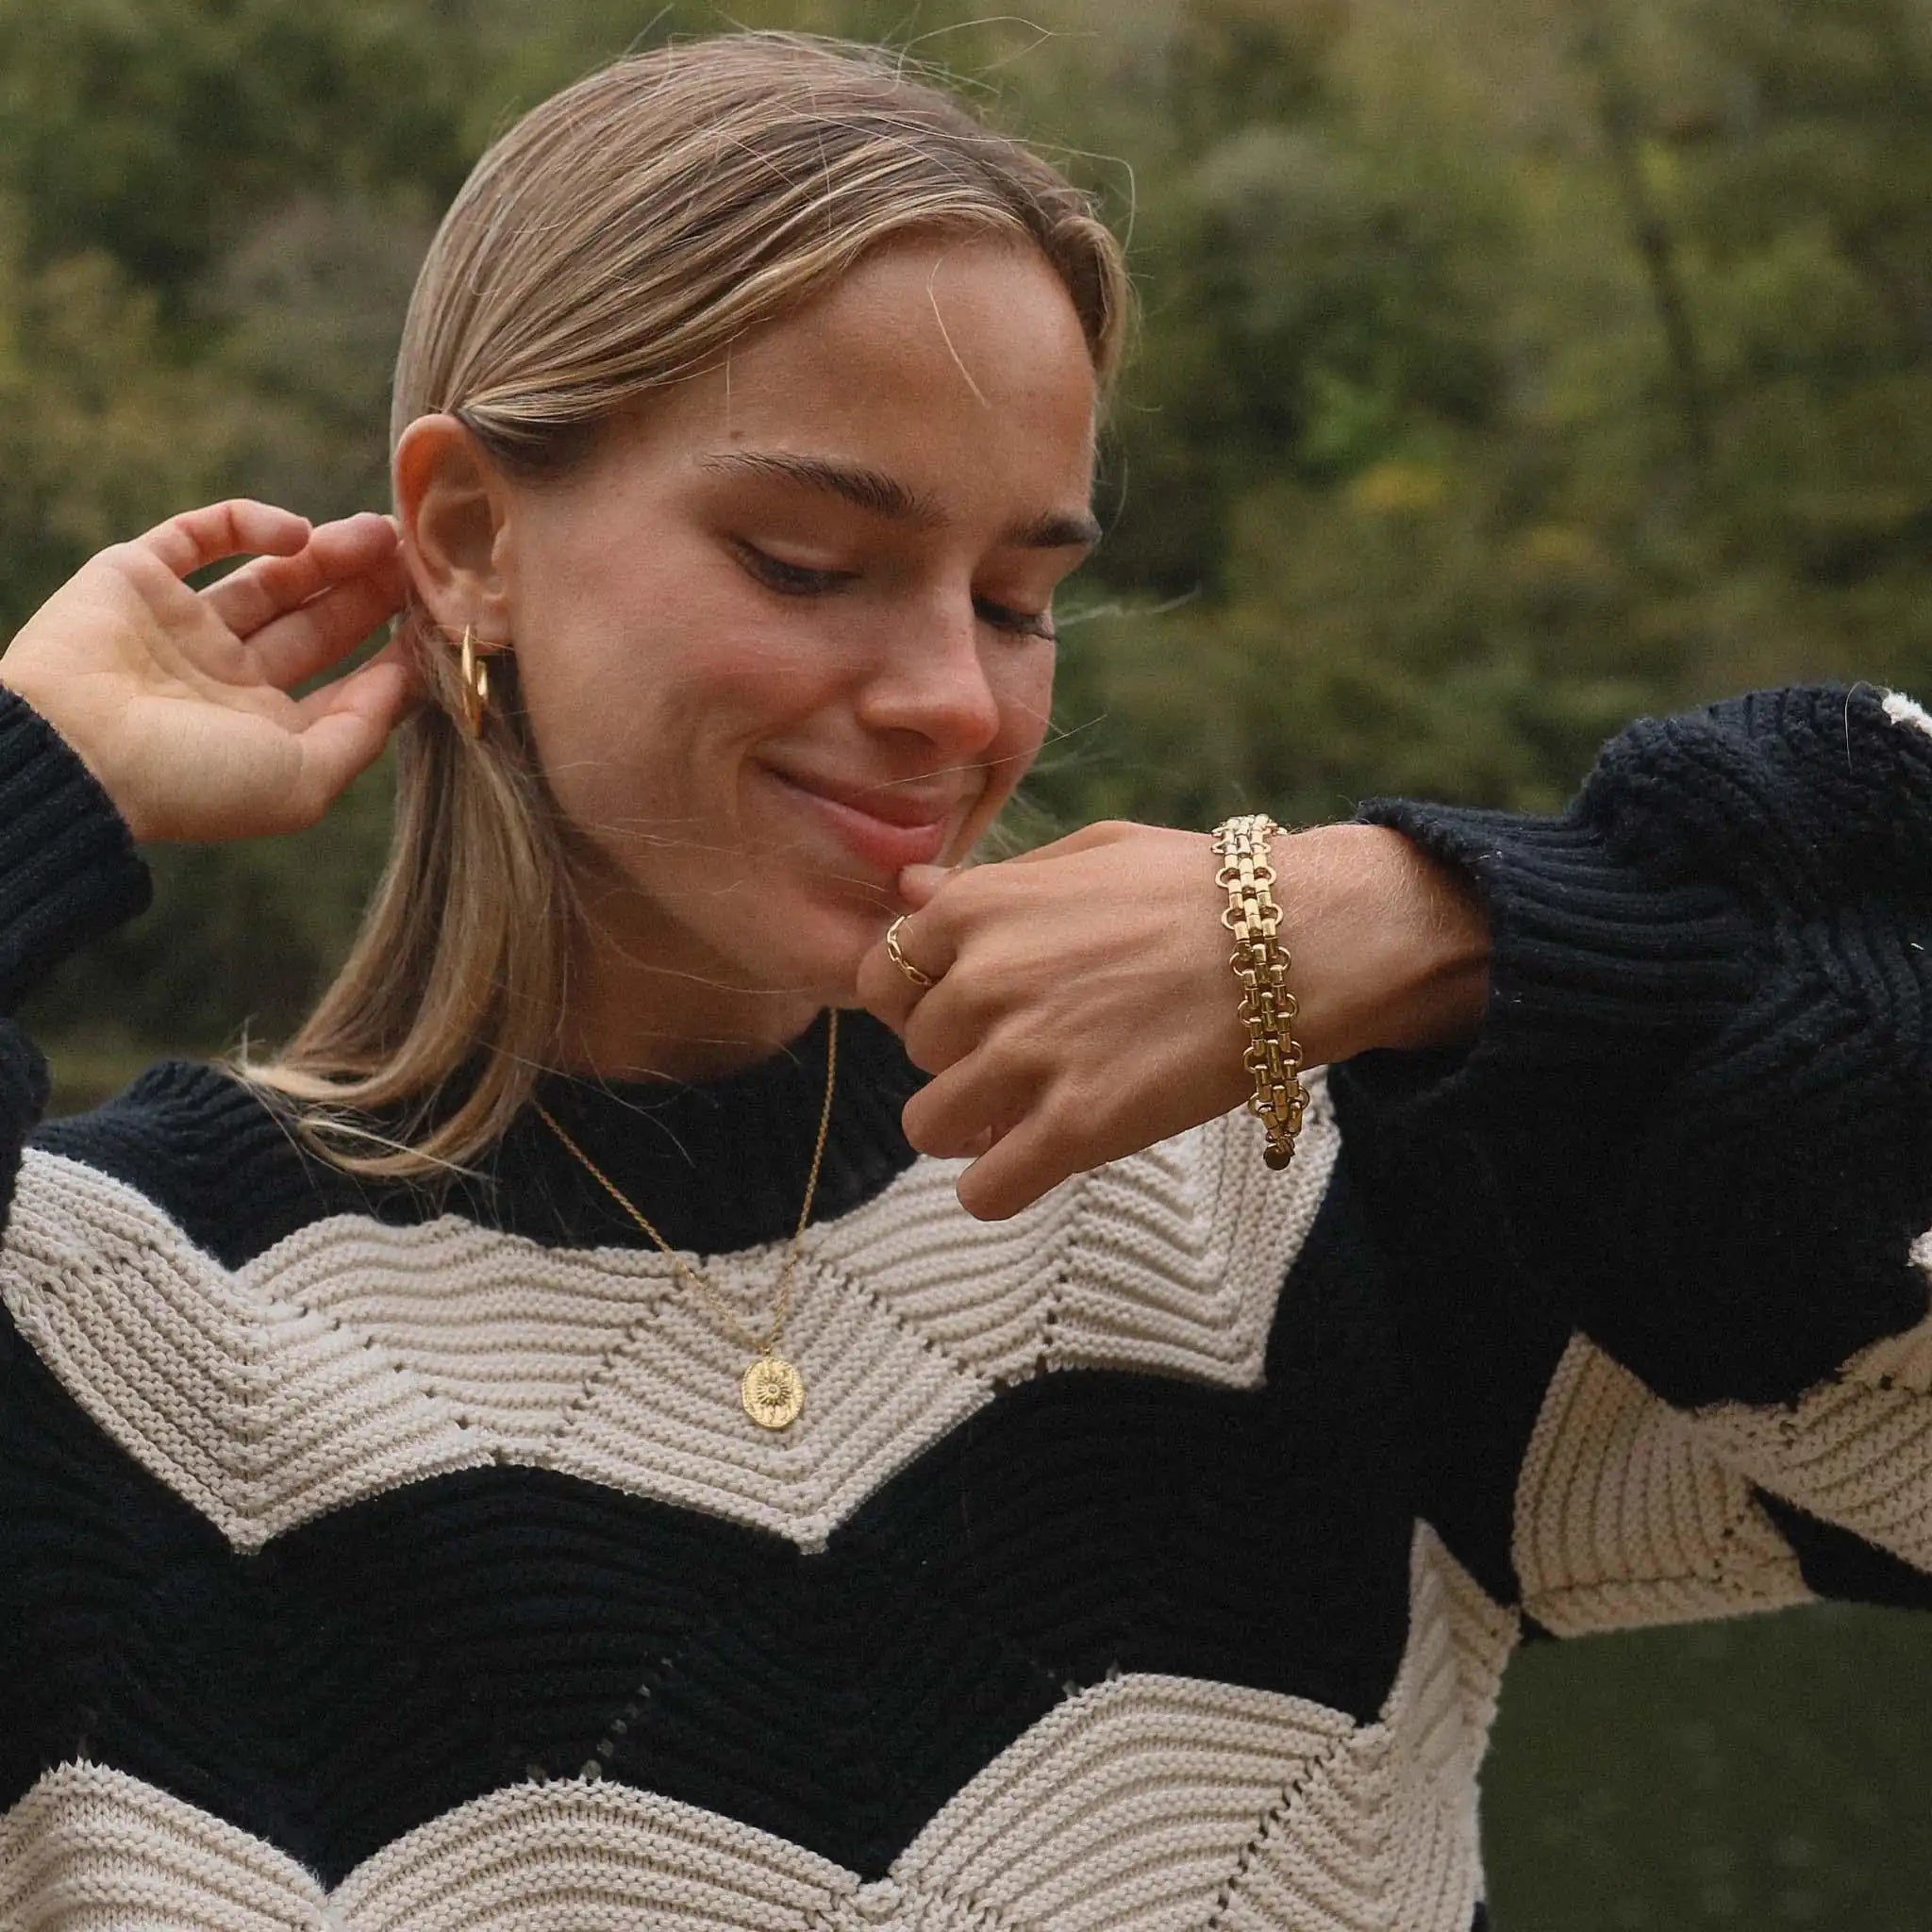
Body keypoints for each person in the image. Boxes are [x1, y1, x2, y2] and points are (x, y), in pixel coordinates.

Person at [0, 30, 1926, 1931]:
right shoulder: (93, 1326)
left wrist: (1431, 919)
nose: (954, 698)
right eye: (807, 560)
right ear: (469, 537)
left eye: (1018, 600)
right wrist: (37, 786)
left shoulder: (1298, 1214)